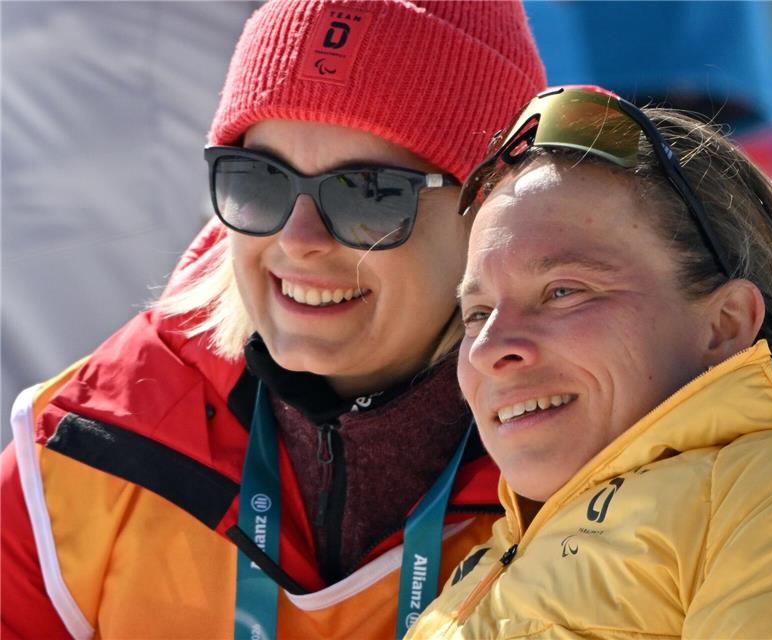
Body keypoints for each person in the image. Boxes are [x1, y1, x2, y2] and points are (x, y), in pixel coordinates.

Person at [0, 2, 544, 638]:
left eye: (368, 192)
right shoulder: (87, 455)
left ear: (489, 213)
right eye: (260, 181)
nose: (299, 238)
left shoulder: (593, 468)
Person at [407, 86, 772, 639]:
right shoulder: (498, 552)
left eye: (563, 291)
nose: (488, 348)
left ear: (724, 325)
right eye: (476, 312)